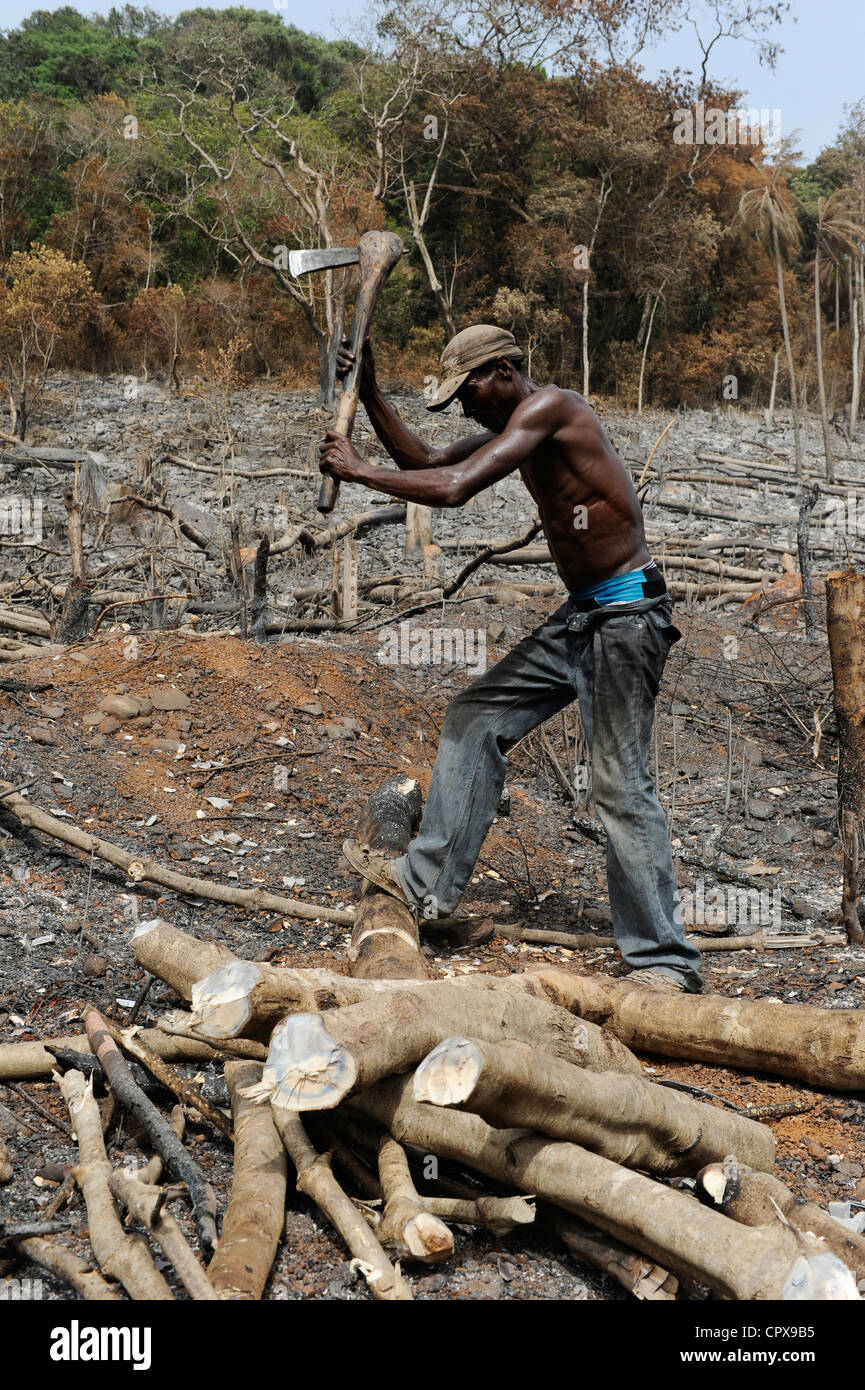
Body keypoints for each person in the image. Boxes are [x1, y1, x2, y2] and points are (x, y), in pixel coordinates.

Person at [320, 324, 702, 993]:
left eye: (465, 393)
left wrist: (356, 470)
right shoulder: (516, 428)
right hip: (584, 617)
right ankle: (425, 885)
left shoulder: (552, 409)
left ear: (500, 371)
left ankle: (663, 959)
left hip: (625, 619)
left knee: (619, 784)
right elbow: (426, 460)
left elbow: (454, 488)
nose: (462, 409)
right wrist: (373, 391)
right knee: (475, 717)